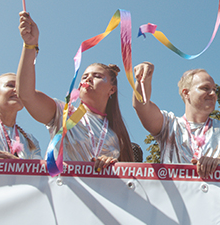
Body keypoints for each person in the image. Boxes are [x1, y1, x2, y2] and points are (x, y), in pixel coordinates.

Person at [17, 12, 134, 171]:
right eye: (84, 76)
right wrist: (30, 45)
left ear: (112, 89)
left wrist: (112, 163)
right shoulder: (64, 114)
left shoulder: (115, 134)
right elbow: (26, 94)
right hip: (63, 190)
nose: (88, 79)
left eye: (97, 76)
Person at [132, 63, 220, 178]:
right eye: (205, 88)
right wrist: (143, 80)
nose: (213, 94)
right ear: (186, 93)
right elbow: (141, 106)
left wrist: (217, 161)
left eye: (214, 89)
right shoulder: (169, 124)